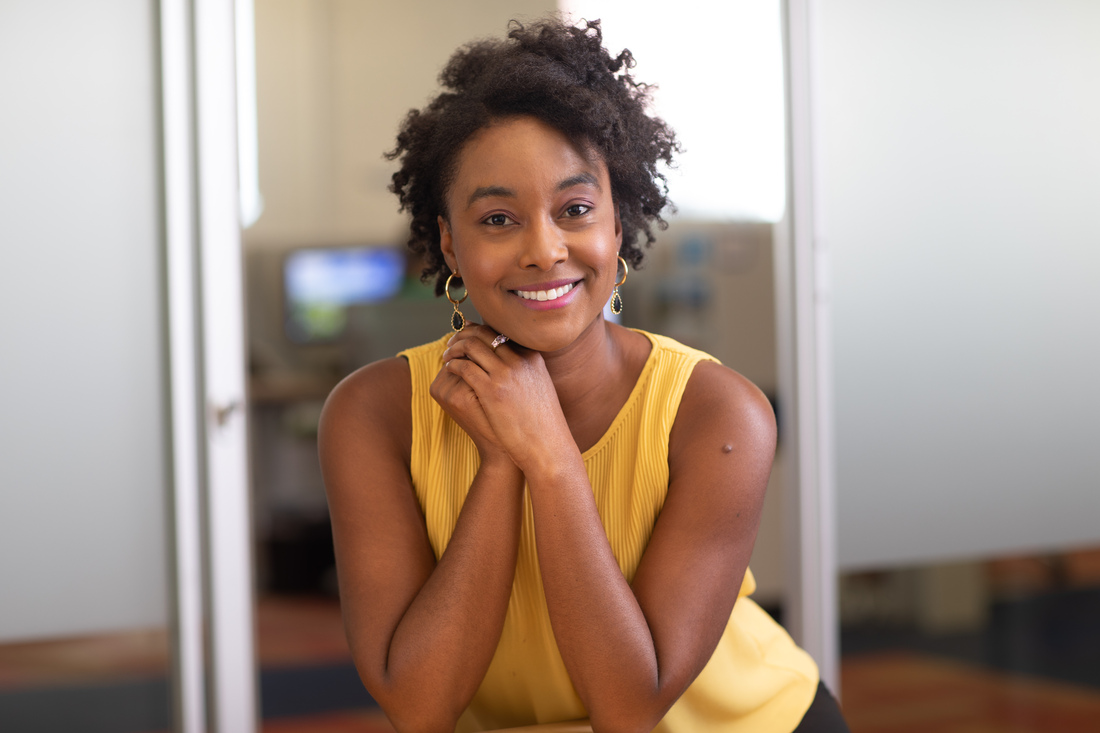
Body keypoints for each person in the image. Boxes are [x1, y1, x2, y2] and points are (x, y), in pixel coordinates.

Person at [318, 17, 849, 733]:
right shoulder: (372, 415)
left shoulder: (718, 414)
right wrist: (501, 458)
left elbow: (631, 708)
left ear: (618, 224)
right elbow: (418, 704)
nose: (544, 249)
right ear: (448, 241)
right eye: (498, 218)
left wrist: (550, 457)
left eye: (575, 209)